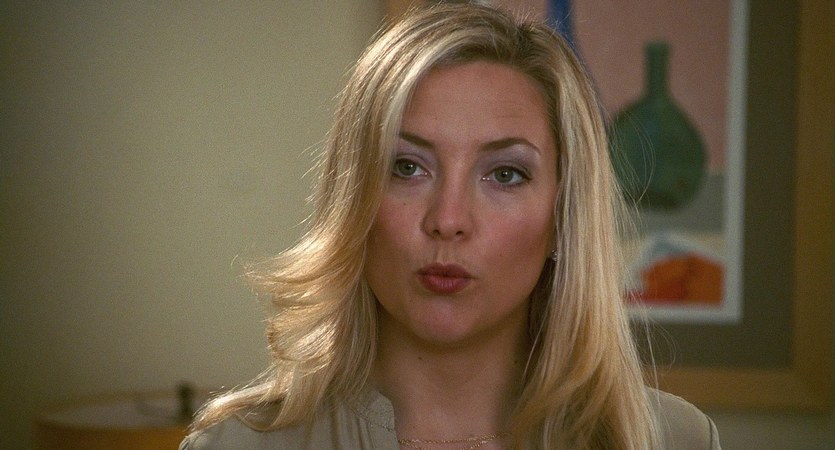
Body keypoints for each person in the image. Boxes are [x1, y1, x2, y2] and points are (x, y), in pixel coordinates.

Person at [181, 3, 720, 449]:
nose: (448, 220)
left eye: (505, 174)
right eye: (407, 167)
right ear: (354, 201)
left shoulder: (672, 440)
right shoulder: (236, 445)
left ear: (563, 217)